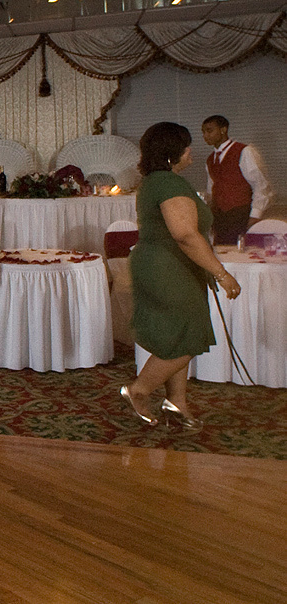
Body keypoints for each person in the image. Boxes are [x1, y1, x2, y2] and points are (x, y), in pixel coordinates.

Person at [122, 122, 241, 431]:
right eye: (186, 146)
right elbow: (185, 234)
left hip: (167, 265)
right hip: (168, 267)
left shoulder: (157, 181)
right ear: (172, 152)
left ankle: (177, 403)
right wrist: (221, 273)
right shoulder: (169, 184)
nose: (191, 150)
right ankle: (139, 390)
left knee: (178, 336)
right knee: (190, 335)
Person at [201, 115, 273, 244]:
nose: (205, 135)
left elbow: (260, 185)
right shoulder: (210, 159)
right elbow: (212, 188)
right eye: (203, 132)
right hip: (220, 216)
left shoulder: (244, 151)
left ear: (223, 130)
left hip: (241, 213)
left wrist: (255, 215)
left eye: (209, 131)